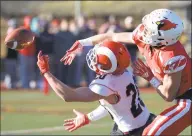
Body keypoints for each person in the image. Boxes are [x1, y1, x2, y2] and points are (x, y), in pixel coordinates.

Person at [60, 9, 192, 135]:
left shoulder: (172, 57)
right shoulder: (146, 37)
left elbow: (168, 95)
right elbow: (111, 36)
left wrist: (150, 77)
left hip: (188, 99)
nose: (144, 30)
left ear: (162, 38)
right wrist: (82, 43)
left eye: (149, 30)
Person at [37, 41, 156, 136]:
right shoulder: (124, 72)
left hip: (132, 132)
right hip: (148, 121)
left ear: (106, 65)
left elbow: (68, 96)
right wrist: (88, 117)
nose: (93, 58)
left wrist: (46, 72)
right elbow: (111, 104)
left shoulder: (107, 83)